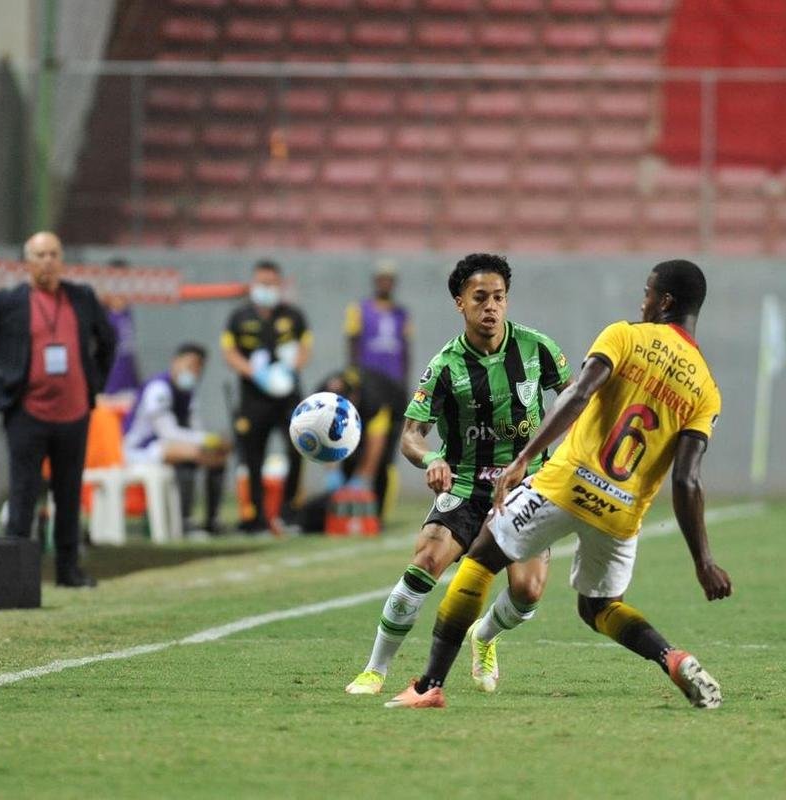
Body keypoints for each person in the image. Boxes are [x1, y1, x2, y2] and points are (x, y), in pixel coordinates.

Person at [386, 259, 731, 710]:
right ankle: (671, 657)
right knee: (600, 608)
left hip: (564, 484)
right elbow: (687, 479)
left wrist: (524, 458)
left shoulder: (625, 335)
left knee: (484, 556)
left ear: (664, 301)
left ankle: (429, 685)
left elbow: (578, 394)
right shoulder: (706, 388)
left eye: (647, 293)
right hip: (622, 513)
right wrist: (703, 561)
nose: (642, 301)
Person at [345, 253, 572, 696]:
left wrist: (559, 455)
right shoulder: (446, 366)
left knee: (528, 592)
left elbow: (576, 401)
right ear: (460, 303)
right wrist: (431, 460)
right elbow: (411, 434)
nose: (491, 307)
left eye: (499, 298)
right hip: (466, 484)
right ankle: (375, 669)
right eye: (480, 297)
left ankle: (484, 636)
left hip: (526, 487)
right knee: (426, 560)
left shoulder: (537, 348)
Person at [0, 231, 116, 587]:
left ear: (62, 260)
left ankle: (68, 570)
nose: (48, 261)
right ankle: (17, 577)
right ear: (27, 262)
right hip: (27, 413)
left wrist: (96, 383)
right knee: (24, 492)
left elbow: (108, 341)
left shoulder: (81, 297)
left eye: (54, 254)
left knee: (69, 492)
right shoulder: (9, 301)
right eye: (40, 254)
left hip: (74, 414)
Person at [220, 260, 312, 534]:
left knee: (297, 449)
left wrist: (288, 369)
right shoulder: (239, 317)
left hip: (288, 397)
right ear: (252, 284)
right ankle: (256, 517)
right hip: (253, 398)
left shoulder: (294, 315)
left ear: (280, 285)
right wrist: (254, 373)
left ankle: (289, 513)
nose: (266, 288)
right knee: (252, 456)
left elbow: (305, 348)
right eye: (262, 283)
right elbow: (229, 351)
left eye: (271, 283)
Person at [122, 342, 230, 535]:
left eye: (198, 367)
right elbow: (168, 432)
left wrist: (213, 444)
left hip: (165, 448)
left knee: (217, 455)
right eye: (190, 365)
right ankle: (182, 521)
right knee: (189, 452)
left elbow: (195, 428)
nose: (194, 372)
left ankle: (212, 520)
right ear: (175, 362)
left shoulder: (189, 393)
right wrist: (207, 440)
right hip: (136, 450)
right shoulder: (158, 389)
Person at [298, 365, 407, 531]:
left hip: (393, 406)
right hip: (364, 407)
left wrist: (362, 478)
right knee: (348, 458)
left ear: (354, 397)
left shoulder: (373, 400)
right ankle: (345, 513)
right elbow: (326, 437)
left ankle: (377, 516)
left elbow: (375, 446)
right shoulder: (320, 399)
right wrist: (332, 471)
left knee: (382, 463)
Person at [346, 259, 412, 386]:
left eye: (389, 280)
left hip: (394, 377)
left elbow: (406, 350)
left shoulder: (402, 313)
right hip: (367, 376)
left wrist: (405, 380)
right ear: (375, 281)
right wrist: (352, 374)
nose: (385, 284)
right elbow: (353, 343)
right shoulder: (359, 309)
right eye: (382, 280)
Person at [101, 257, 141, 401]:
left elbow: (129, 351)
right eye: (115, 282)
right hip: (107, 391)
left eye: (124, 282)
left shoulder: (127, 312)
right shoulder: (100, 314)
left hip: (129, 387)